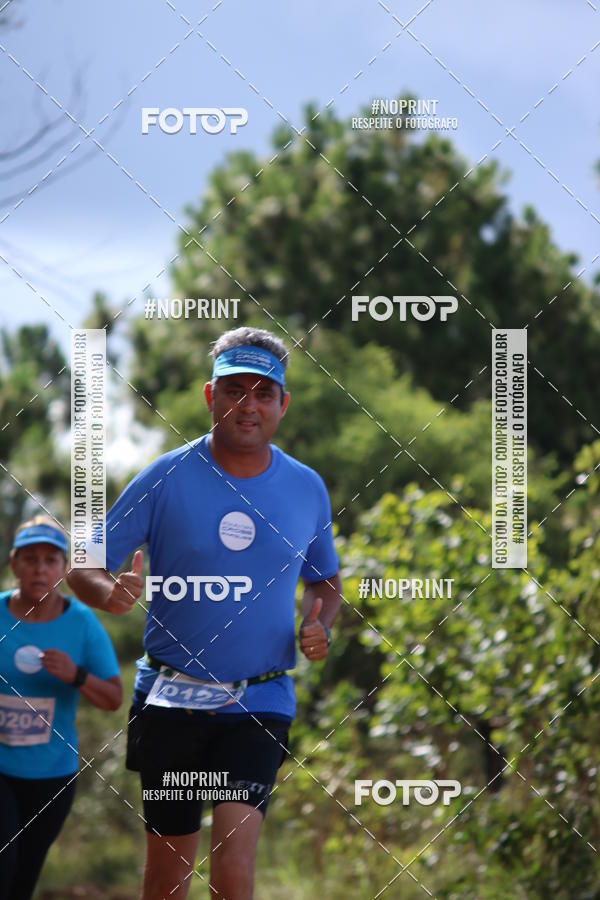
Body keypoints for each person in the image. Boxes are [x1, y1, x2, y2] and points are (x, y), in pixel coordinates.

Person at [67, 326, 342, 900]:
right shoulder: (165, 477)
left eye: (263, 393)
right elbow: (83, 565)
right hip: (171, 699)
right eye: (234, 390)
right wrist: (108, 593)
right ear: (209, 396)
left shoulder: (306, 488)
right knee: (168, 878)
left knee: (233, 869)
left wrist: (318, 625)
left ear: (282, 404)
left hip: (259, 699)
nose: (249, 405)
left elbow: (325, 579)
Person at [0, 515, 122, 900]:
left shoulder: (83, 624)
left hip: (52, 777)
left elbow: (114, 698)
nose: (40, 568)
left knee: (22, 879)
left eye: (50, 560)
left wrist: (76, 676)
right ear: (13, 564)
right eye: (30, 558)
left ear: (64, 569)